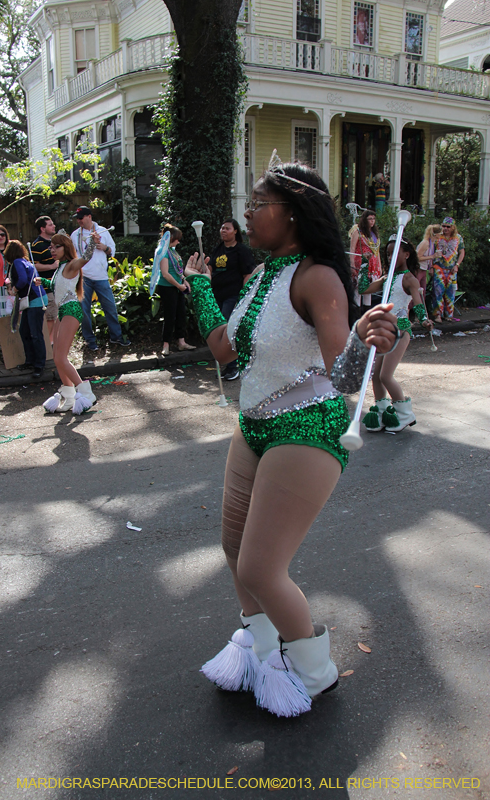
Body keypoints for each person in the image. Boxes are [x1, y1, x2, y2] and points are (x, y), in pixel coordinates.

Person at [183, 151, 399, 718]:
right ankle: (261, 654)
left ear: (294, 212)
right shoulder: (261, 275)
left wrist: (361, 334)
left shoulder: (317, 276)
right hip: (253, 426)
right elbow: (227, 353)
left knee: (259, 568)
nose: (247, 215)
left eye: (259, 204)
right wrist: (200, 288)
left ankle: (314, 673)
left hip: (307, 427)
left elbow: (347, 379)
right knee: (234, 553)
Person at [362, 235, 432, 433]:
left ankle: (404, 414)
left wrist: (424, 319)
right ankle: (384, 414)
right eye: (388, 253)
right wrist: (364, 266)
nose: (391, 256)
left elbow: (417, 302)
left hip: (400, 329)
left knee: (385, 376)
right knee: (376, 376)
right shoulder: (387, 278)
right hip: (384, 330)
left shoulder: (409, 278)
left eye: (395, 253)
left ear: (407, 254)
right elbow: (363, 289)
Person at [36, 232, 100, 414]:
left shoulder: (72, 264)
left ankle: (86, 393)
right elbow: (59, 287)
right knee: (57, 358)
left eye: (57, 246)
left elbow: (85, 259)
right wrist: (44, 282)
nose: (52, 250)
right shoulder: (60, 267)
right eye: (51, 247)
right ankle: (70, 396)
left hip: (71, 310)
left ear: (65, 247)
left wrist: (93, 243)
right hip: (62, 311)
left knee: (61, 357)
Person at [70, 206, 130, 351]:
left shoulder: (103, 231)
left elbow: (112, 251)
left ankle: (116, 336)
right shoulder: (75, 235)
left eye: (81, 217)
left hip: (101, 277)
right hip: (84, 277)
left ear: (89, 217)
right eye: (77, 218)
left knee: (110, 307)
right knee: (84, 310)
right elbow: (73, 256)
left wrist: (104, 247)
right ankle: (90, 340)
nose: (79, 221)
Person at [208, 218, 255, 381]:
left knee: (228, 329)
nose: (223, 230)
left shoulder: (241, 251)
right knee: (218, 329)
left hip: (233, 296)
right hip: (217, 295)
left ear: (235, 231)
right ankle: (228, 365)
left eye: (227, 228)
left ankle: (233, 367)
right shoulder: (218, 249)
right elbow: (211, 268)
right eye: (222, 228)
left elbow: (247, 274)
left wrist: (243, 297)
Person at [4, 240, 48, 379]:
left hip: (34, 300)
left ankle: (39, 365)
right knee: (25, 331)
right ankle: (31, 360)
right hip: (36, 298)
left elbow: (22, 280)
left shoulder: (17, 262)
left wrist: (14, 290)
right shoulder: (26, 262)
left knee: (35, 334)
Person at [155, 223, 196, 357]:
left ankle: (181, 342)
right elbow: (165, 274)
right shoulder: (163, 251)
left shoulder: (173, 250)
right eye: (177, 238)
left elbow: (178, 270)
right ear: (171, 238)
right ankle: (165, 345)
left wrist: (184, 280)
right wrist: (179, 286)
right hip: (168, 288)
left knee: (181, 314)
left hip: (178, 286)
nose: (179, 241)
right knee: (170, 316)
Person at [31, 216, 59, 347]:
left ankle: (52, 341)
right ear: (42, 229)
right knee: (50, 317)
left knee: (55, 316)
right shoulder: (37, 245)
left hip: (57, 286)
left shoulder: (54, 243)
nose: (53, 226)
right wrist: (52, 266)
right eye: (50, 225)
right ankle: (48, 344)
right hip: (46, 287)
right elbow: (34, 265)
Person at [431, 217, 465, 323]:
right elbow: (431, 251)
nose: (445, 228)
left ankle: (449, 314)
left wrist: (457, 265)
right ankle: (437, 315)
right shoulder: (437, 237)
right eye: (444, 226)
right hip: (439, 267)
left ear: (453, 227)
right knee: (438, 292)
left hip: (452, 269)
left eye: (448, 227)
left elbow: (462, 252)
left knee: (450, 292)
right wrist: (431, 266)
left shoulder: (458, 238)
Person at [349, 209, 382, 310]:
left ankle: (366, 312)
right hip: (360, 264)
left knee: (369, 290)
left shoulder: (374, 234)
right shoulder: (358, 232)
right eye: (370, 219)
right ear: (365, 220)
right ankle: (357, 313)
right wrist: (352, 264)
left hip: (372, 265)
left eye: (374, 219)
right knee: (359, 290)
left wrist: (379, 265)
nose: (372, 221)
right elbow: (352, 248)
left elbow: (377, 251)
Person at [416, 223, 441, 305]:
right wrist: (432, 256)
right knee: (416, 291)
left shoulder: (432, 244)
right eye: (440, 234)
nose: (441, 235)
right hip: (419, 268)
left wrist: (431, 266)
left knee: (422, 293)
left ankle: (421, 315)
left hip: (424, 269)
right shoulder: (426, 243)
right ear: (436, 234)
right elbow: (418, 257)